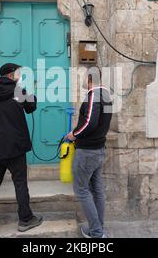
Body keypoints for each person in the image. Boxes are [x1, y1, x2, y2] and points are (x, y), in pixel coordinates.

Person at [0, 63, 43, 238]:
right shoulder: (18, 91)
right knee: (20, 183)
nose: (20, 75)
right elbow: (31, 107)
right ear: (11, 75)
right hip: (15, 148)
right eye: (18, 73)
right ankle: (25, 220)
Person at [65, 66, 113, 238]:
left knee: (82, 190)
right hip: (98, 150)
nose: (83, 80)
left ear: (90, 79)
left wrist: (73, 134)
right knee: (97, 190)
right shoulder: (107, 96)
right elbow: (102, 123)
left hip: (88, 151)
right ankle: (98, 228)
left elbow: (89, 123)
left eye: (85, 77)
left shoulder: (94, 96)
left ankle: (97, 232)